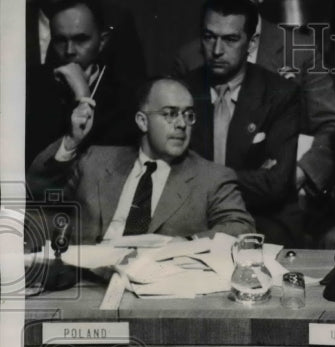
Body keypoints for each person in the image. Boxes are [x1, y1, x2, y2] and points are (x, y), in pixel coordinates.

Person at [174, 0, 335, 200]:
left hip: (285, 189)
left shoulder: (301, 50)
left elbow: (331, 125)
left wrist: (298, 175)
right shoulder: (191, 57)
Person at [27, 77, 255, 244]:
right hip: (87, 282)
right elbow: (38, 193)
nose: (182, 124)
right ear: (142, 121)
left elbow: (240, 228)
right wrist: (71, 140)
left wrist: (187, 243)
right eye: (170, 113)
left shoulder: (211, 177)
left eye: (188, 115)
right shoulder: (95, 161)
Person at [183, 0, 301, 245]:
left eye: (231, 39)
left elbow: (275, 183)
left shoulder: (280, 93)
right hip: (194, 218)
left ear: (252, 42)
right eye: (209, 37)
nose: (216, 50)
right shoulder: (182, 90)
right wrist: (247, 175)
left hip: (261, 219)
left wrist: (201, 178)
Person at [26, 0, 147, 161]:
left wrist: (83, 96)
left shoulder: (116, 20)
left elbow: (131, 100)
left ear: (102, 41)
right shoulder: (14, 23)